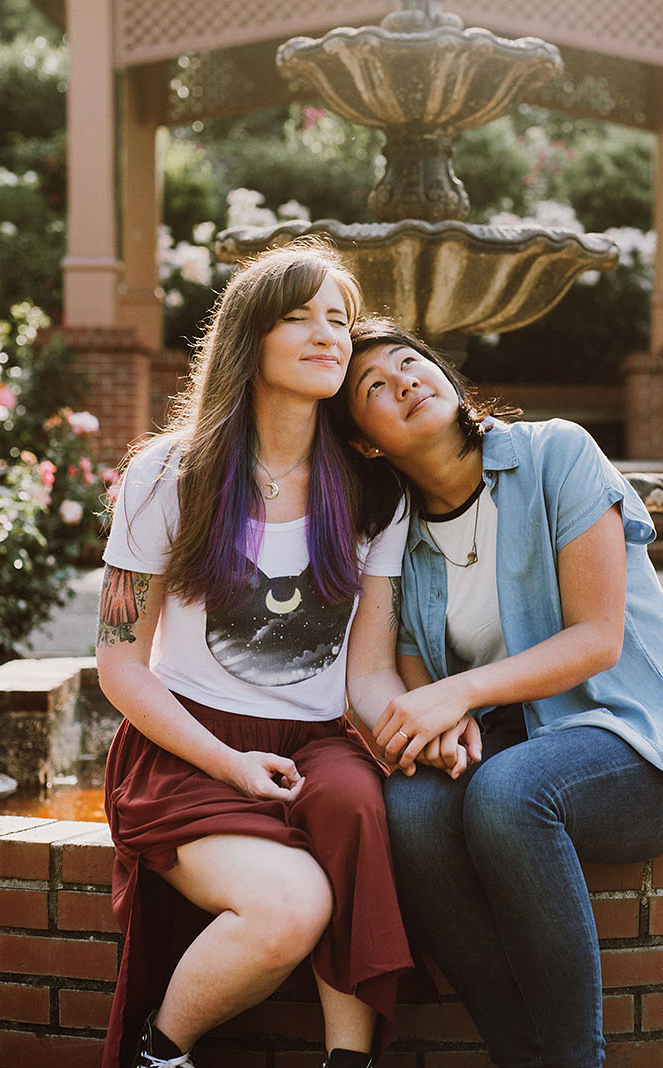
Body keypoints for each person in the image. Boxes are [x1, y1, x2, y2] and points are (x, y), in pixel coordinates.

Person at [327, 319, 663, 1068]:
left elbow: (596, 637)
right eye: (374, 386)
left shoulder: (554, 453)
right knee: (407, 811)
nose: (404, 380)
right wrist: (438, 726)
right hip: (519, 747)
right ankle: (520, 1054)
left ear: (444, 375)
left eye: (411, 364)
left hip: (643, 745)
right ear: (365, 443)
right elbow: (416, 680)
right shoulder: (399, 539)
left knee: (508, 793)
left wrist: (458, 695)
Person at [96, 241, 413, 1068]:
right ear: (248, 338)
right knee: (288, 909)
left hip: (317, 741)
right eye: (299, 316)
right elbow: (120, 665)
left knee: (355, 812)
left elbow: (367, 674)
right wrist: (229, 764)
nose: (329, 335)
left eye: (339, 320)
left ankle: (351, 1061)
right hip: (187, 747)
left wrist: (429, 729)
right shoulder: (169, 473)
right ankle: (158, 1053)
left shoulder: (376, 490)